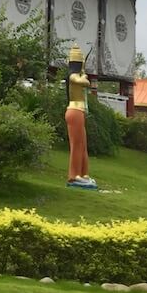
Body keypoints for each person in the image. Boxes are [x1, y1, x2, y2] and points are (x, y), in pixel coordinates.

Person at [65, 42, 97, 189]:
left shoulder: (76, 74)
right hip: (74, 111)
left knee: (83, 145)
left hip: (80, 112)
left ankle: (83, 174)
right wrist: (83, 74)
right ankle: (74, 175)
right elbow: (84, 82)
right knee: (77, 144)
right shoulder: (73, 76)